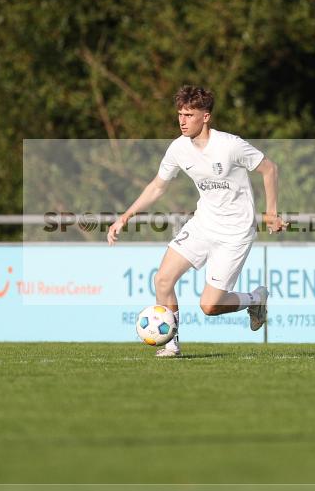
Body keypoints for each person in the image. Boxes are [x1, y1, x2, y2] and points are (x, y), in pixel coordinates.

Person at [108, 85, 284, 357]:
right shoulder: (178, 148)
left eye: (189, 115)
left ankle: (255, 299)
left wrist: (271, 212)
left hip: (235, 233)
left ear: (206, 116)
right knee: (162, 280)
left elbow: (269, 169)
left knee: (209, 306)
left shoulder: (230, 145)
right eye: (180, 114)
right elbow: (157, 187)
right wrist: (125, 216)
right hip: (202, 225)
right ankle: (171, 345)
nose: (182, 120)